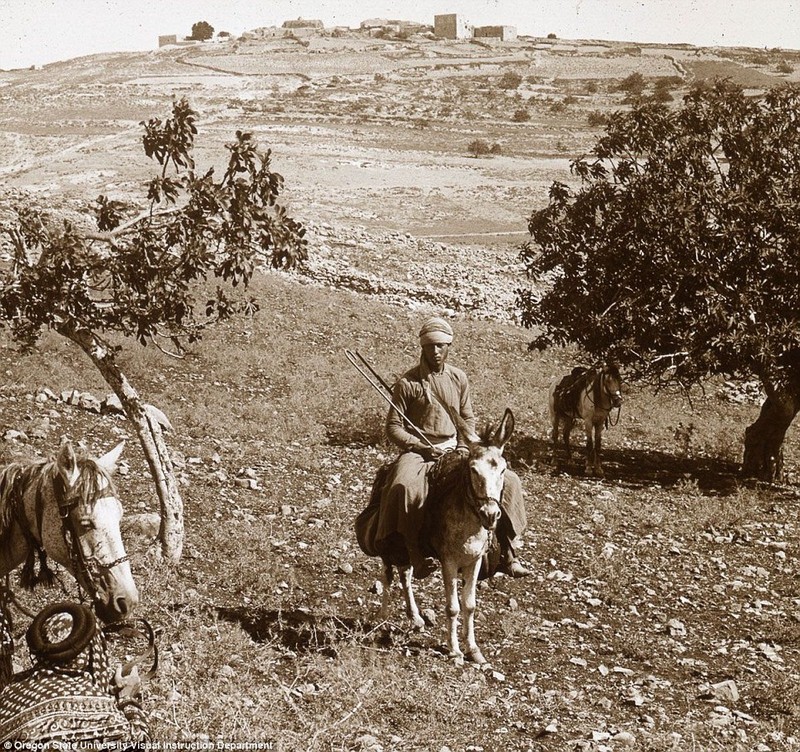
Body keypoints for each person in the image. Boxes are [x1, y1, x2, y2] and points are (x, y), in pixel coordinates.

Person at [376, 316, 530, 578]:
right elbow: (393, 428)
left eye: (441, 346)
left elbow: (466, 418)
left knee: (510, 482)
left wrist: (463, 446)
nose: (435, 352)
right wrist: (420, 447)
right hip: (419, 451)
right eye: (430, 346)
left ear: (449, 346)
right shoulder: (407, 383)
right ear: (422, 347)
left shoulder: (459, 378)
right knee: (403, 487)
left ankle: (506, 551)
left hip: (456, 445)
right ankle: (412, 552)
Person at [0, 600, 150, 745]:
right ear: (92, 650)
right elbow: (140, 744)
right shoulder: (101, 713)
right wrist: (127, 699)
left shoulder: (8, 691)